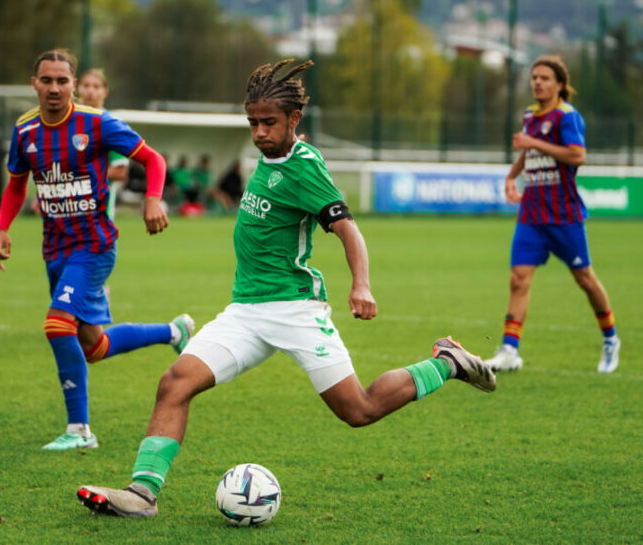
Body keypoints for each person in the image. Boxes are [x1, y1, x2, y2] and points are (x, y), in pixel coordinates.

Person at [76, 59, 495, 518]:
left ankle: (446, 363)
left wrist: (362, 286)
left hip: (296, 309)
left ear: (294, 119)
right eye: (252, 122)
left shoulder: (304, 168)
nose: (258, 132)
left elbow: (348, 229)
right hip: (245, 311)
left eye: (269, 123)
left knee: (359, 409)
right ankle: (142, 493)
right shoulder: (269, 153)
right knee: (175, 383)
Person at [0, 48, 194, 451]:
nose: (54, 88)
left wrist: (153, 199)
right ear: (34, 83)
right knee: (94, 346)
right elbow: (17, 184)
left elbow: (152, 160)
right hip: (55, 249)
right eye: (46, 80)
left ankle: (79, 431)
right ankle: (175, 331)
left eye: (62, 81)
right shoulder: (25, 130)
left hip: (94, 245)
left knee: (56, 325)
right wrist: (2, 227)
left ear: (74, 84)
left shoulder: (97, 124)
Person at [484, 55, 620, 374]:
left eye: (545, 78)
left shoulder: (567, 117)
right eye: (534, 77)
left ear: (560, 84)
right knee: (518, 280)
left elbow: (577, 156)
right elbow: (529, 151)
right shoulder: (530, 115)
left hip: (563, 216)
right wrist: (511, 175)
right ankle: (509, 350)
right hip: (531, 215)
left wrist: (532, 142)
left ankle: (610, 338)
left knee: (585, 279)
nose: (537, 82)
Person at [76, 69, 129, 218]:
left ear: (105, 92)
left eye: (96, 86)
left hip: (100, 218)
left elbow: (120, 171)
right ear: (77, 88)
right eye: (86, 85)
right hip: (66, 218)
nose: (90, 91)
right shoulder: (67, 123)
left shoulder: (112, 125)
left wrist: (80, 173)